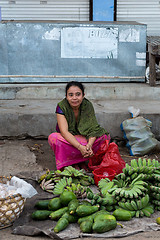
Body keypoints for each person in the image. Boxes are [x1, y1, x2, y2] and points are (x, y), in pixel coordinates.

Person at [48, 81, 110, 171]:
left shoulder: (87, 105)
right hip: (69, 139)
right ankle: (72, 162)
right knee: (53, 138)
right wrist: (80, 147)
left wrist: (89, 145)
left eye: (78, 94)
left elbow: (93, 128)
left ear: (83, 95)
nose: (74, 98)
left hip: (84, 138)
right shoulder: (61, 106)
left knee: (105, 137)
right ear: (66, 96)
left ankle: (83, 158)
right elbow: (64, 132)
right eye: (71, 95)